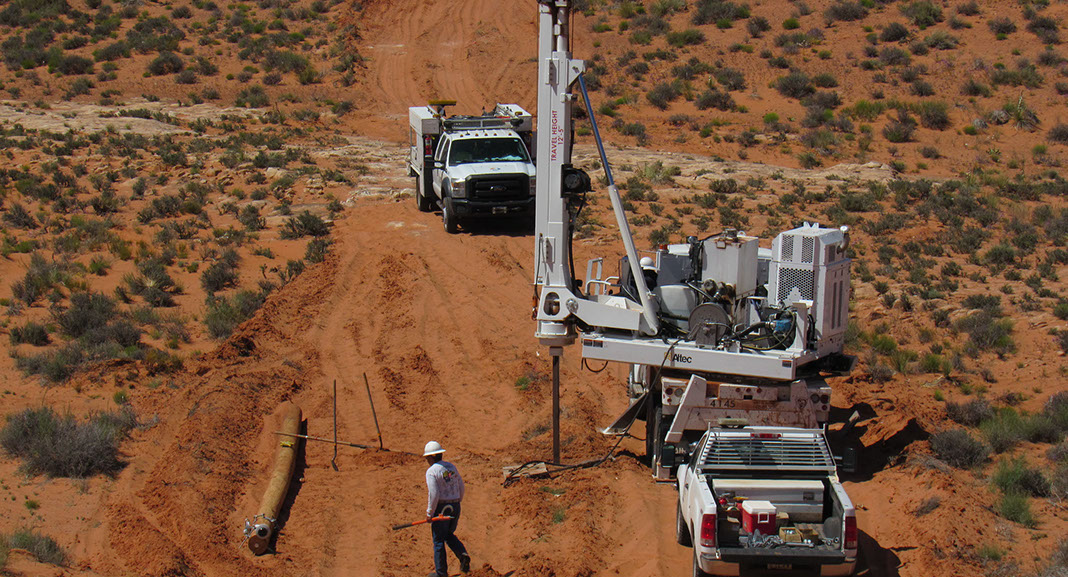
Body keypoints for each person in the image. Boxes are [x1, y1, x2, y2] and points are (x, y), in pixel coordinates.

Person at [424, 441, 470, 576]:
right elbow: (461, 486)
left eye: (427, 458)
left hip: (442, 508)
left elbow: (434, 493)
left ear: (432, 457)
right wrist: (458, 502)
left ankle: (441, 573)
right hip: (455, 505)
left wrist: (430, 513)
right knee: (448, 534)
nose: (427, 460)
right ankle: (462, 554)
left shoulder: (431, 471)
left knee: (438, 540)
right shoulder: (451, 467)